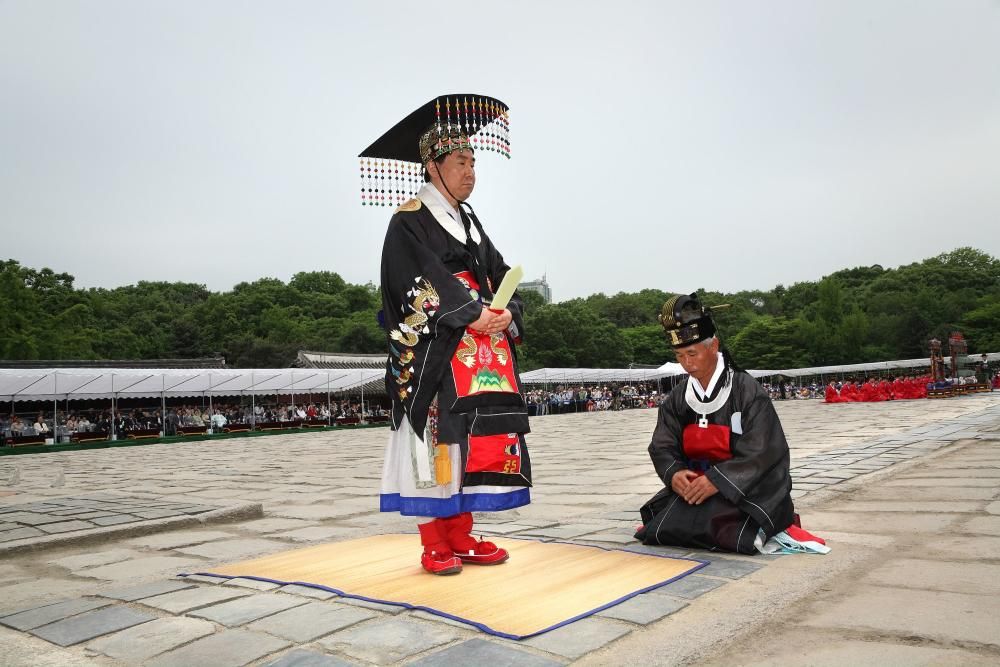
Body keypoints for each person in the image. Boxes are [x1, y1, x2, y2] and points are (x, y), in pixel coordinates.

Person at [364, 94, 530, 575]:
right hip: (436, 352)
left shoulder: (470, 222)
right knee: (437, 439)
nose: (471, 172)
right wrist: (469, 311)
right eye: (461, 162)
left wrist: (505, 311)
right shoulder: (408, 221)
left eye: (474, 162)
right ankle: (434, 538)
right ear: (432, 166)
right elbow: (413, 282)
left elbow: (500, 273)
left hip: (477, 352)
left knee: (470, 439)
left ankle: (462, 531)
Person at [635, 293, 823, 554]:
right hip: (697, 485)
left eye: (692, 353)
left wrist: (717, 481)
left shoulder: (746, 390)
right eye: (679, 356)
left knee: (721, 525)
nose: (686, 363)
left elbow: (763, 451)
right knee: (661, 530)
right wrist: (675, 473)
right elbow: (661, 445)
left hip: (744, 488)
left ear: (713, 347)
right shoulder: (678, 397)